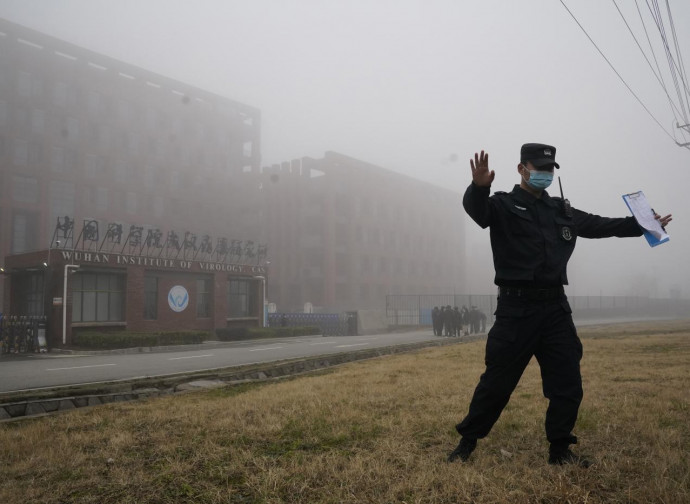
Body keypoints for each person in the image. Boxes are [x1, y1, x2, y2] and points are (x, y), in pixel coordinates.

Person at [448, 144, 672, 467]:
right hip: (516, 311)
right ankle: (467, 442)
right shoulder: (503, 205)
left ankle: (560, 449)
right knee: (497, 383)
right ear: (522, 169)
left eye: (550, 168)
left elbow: (599, 225)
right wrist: (478, 189)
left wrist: (643, 226)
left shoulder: (561, 211)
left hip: (555, 309)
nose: (545, 174)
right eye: (539, 168)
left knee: (568, 382)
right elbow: (478, 213)